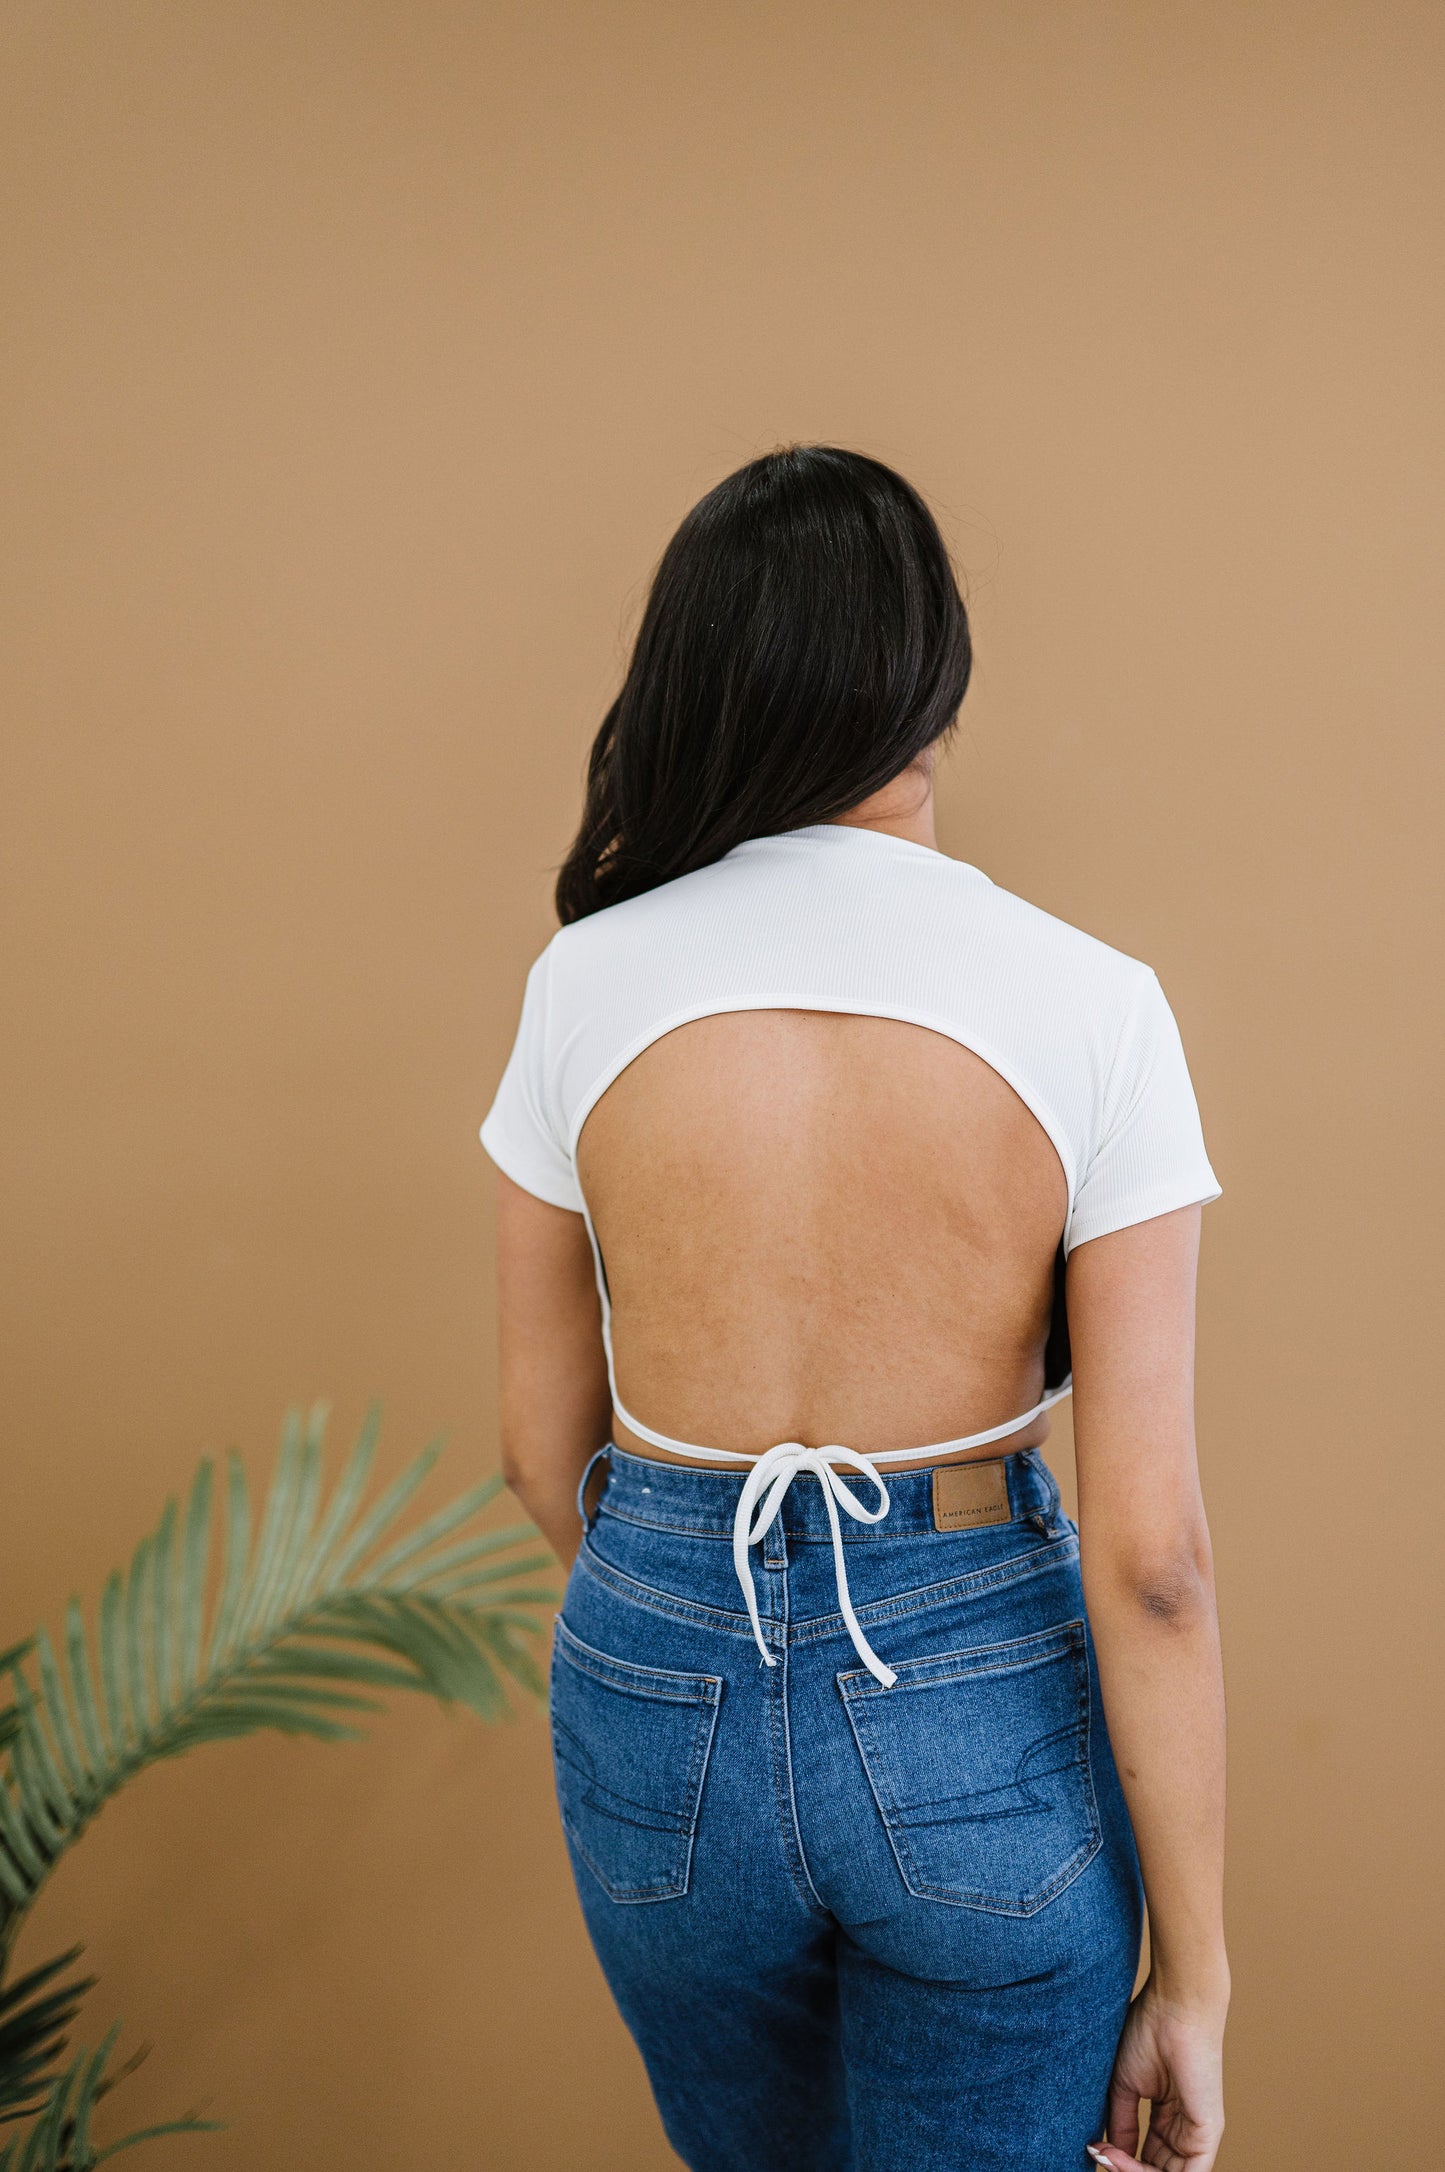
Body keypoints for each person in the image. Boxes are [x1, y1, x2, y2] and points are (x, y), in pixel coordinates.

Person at [480, 445, 1228, 2172]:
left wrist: (695, 1622)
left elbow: (539, 1459)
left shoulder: (581, 981)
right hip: (975, 1680)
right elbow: (1156, 1560)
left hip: (662, 1671)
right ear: (933, 677)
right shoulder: (1092, 1004)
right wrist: (1192, 1976)